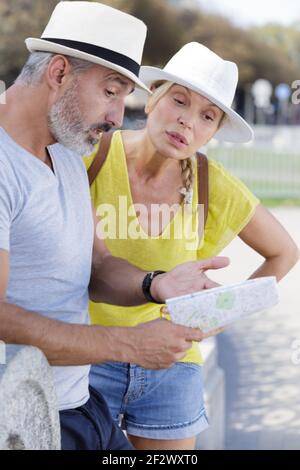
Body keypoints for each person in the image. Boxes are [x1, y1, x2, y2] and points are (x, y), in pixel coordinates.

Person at [0, 4, 229, 451]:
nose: (119, 117)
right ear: (60, 72)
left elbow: (97, 264)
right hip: (27, 421)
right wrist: (128, 346)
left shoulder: (65, 153)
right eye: (111, 91)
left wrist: (158, 285)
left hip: (80, 405)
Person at [85, 42, 300, 450]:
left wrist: (223, 311)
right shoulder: (92, 157)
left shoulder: (212, 183)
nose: (187, 122)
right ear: (151, 101)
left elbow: (285, 252)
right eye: (178, 101)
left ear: (214, 132)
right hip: (91, 357)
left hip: (172, 363)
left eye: (207, 116)